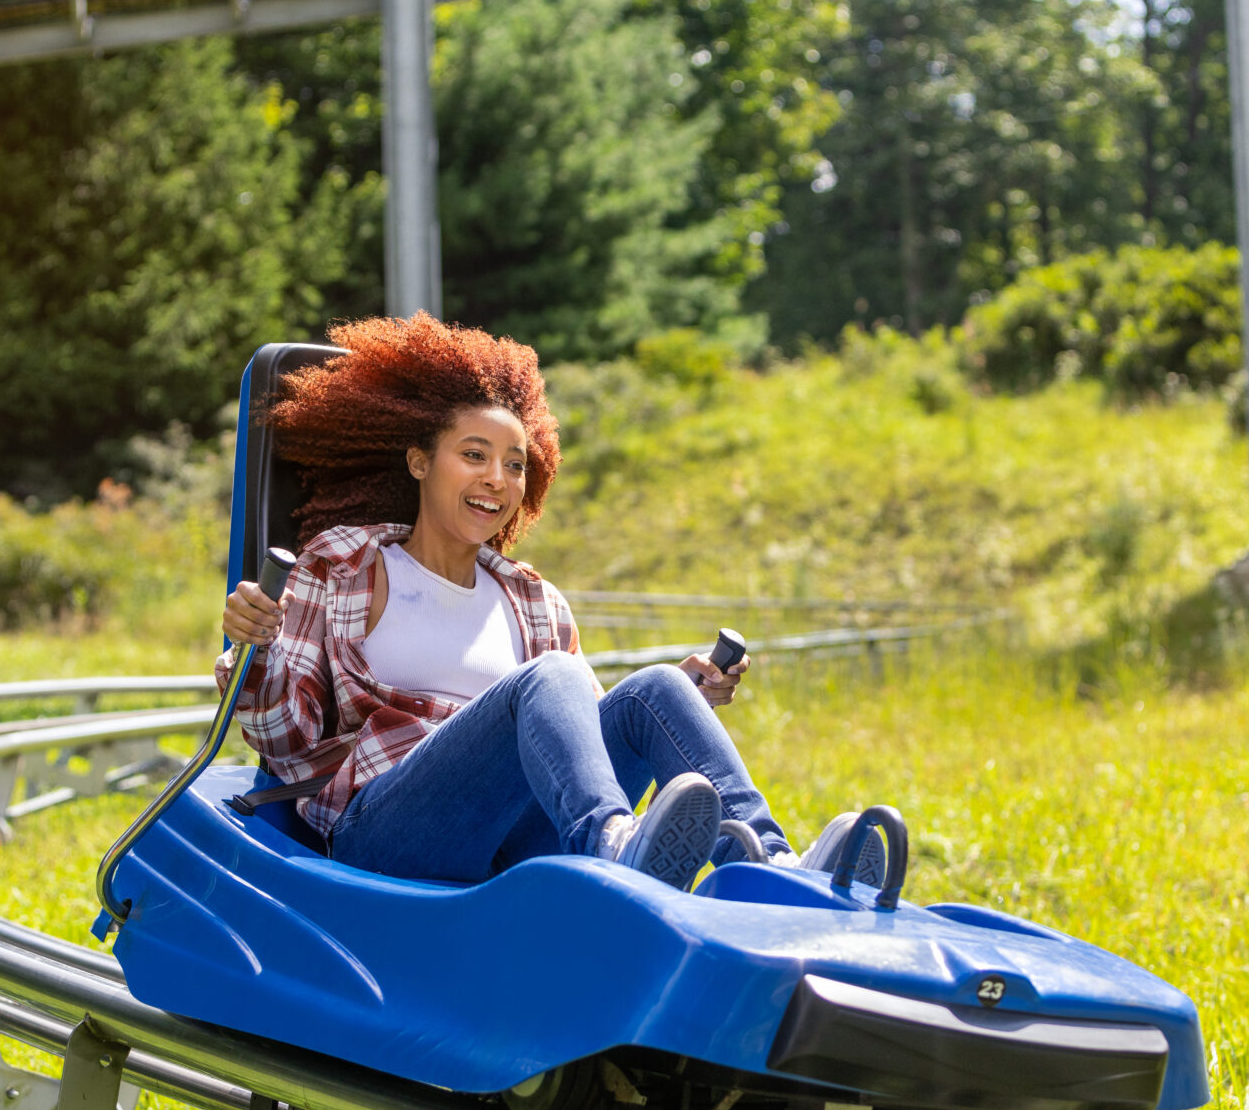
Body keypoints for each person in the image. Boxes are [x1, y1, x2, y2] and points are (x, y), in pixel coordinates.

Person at [218, 314, 880, 890]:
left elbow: (577, 740)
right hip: (386, 829)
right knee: (551, 677)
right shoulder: (345, 561)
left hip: (520, 836)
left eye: (514, 464)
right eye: (473, 454)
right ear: (419, 462)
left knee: (654, 690)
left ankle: (773, 866)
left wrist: (680, 696)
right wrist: (257, 649)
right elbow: (286, 741)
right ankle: (615, 847)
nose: (496, 479)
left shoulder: (534, 600)